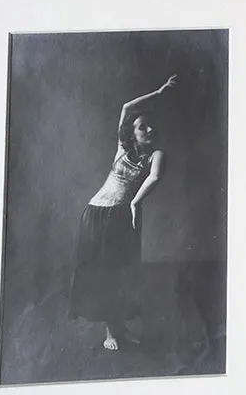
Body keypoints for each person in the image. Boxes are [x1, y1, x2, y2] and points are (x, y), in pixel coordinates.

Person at [68, 74, 176, 351]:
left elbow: (154, 178)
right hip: (95, 214)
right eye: (143, 127)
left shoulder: (156, 155)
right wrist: (160, 91)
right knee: (104, 274)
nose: (149, 130)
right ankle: (111, 332)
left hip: (120, 217)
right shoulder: (122, 149)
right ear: (132, 133)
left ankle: (120, 327)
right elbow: (127, 108)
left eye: (151, 126)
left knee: (121, 274)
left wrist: (135, 203)